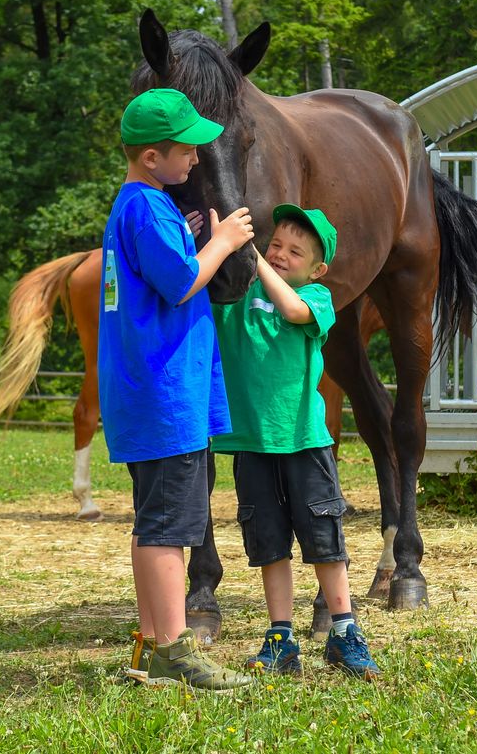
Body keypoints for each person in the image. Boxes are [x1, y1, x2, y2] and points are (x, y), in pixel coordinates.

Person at [98, 87, 255, 690]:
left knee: (153, 525)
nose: (196, 157)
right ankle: (173, 651)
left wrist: (189, 237)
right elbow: (182, 284)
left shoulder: (140, 205)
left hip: (146, 394)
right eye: (186, 149)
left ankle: (149, 646)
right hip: (167, 398)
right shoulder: (148, 208)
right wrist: (221, 242)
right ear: (150, 159)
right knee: (169, 529)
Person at [211, 204, 381, 680]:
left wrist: (251, 254)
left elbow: (291, 308)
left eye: (294, 251)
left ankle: (344, 630)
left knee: (323, 538)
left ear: (317, 268)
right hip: (252, 443)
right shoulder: (238, 296)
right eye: (275, 245)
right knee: (269, 544)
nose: (281, 255)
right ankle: (280, 636)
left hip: (305, 441)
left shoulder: (318, 298)